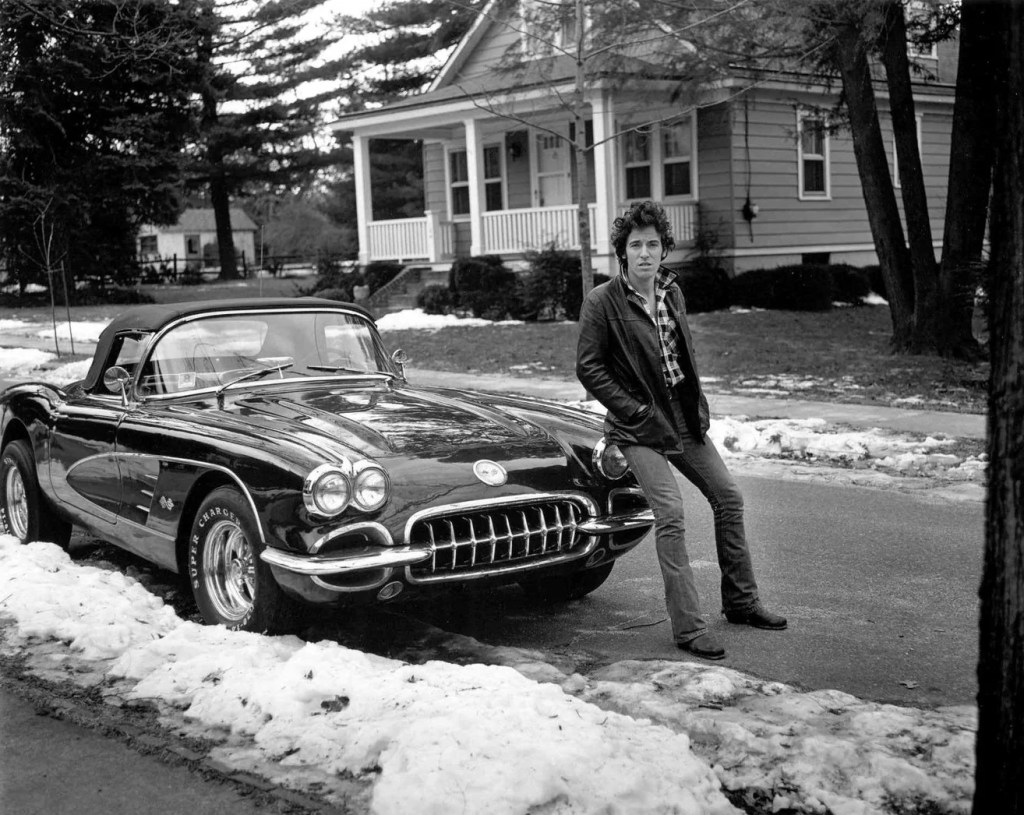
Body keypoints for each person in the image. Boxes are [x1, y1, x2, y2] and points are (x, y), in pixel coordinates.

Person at [576, 200, 786, 660]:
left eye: (653, 244)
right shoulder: (602, 301)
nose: (645, 253)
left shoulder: (672, 292)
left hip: (682, 417)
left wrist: (697, 406)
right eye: (636, 245)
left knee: (728, 497)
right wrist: (635, 410)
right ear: (622, 251)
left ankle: (742, 602)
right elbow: (589, 368)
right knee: (670, 513)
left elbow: (682, 359)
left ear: (664, 249)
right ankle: (689, 627)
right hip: (637, 424)